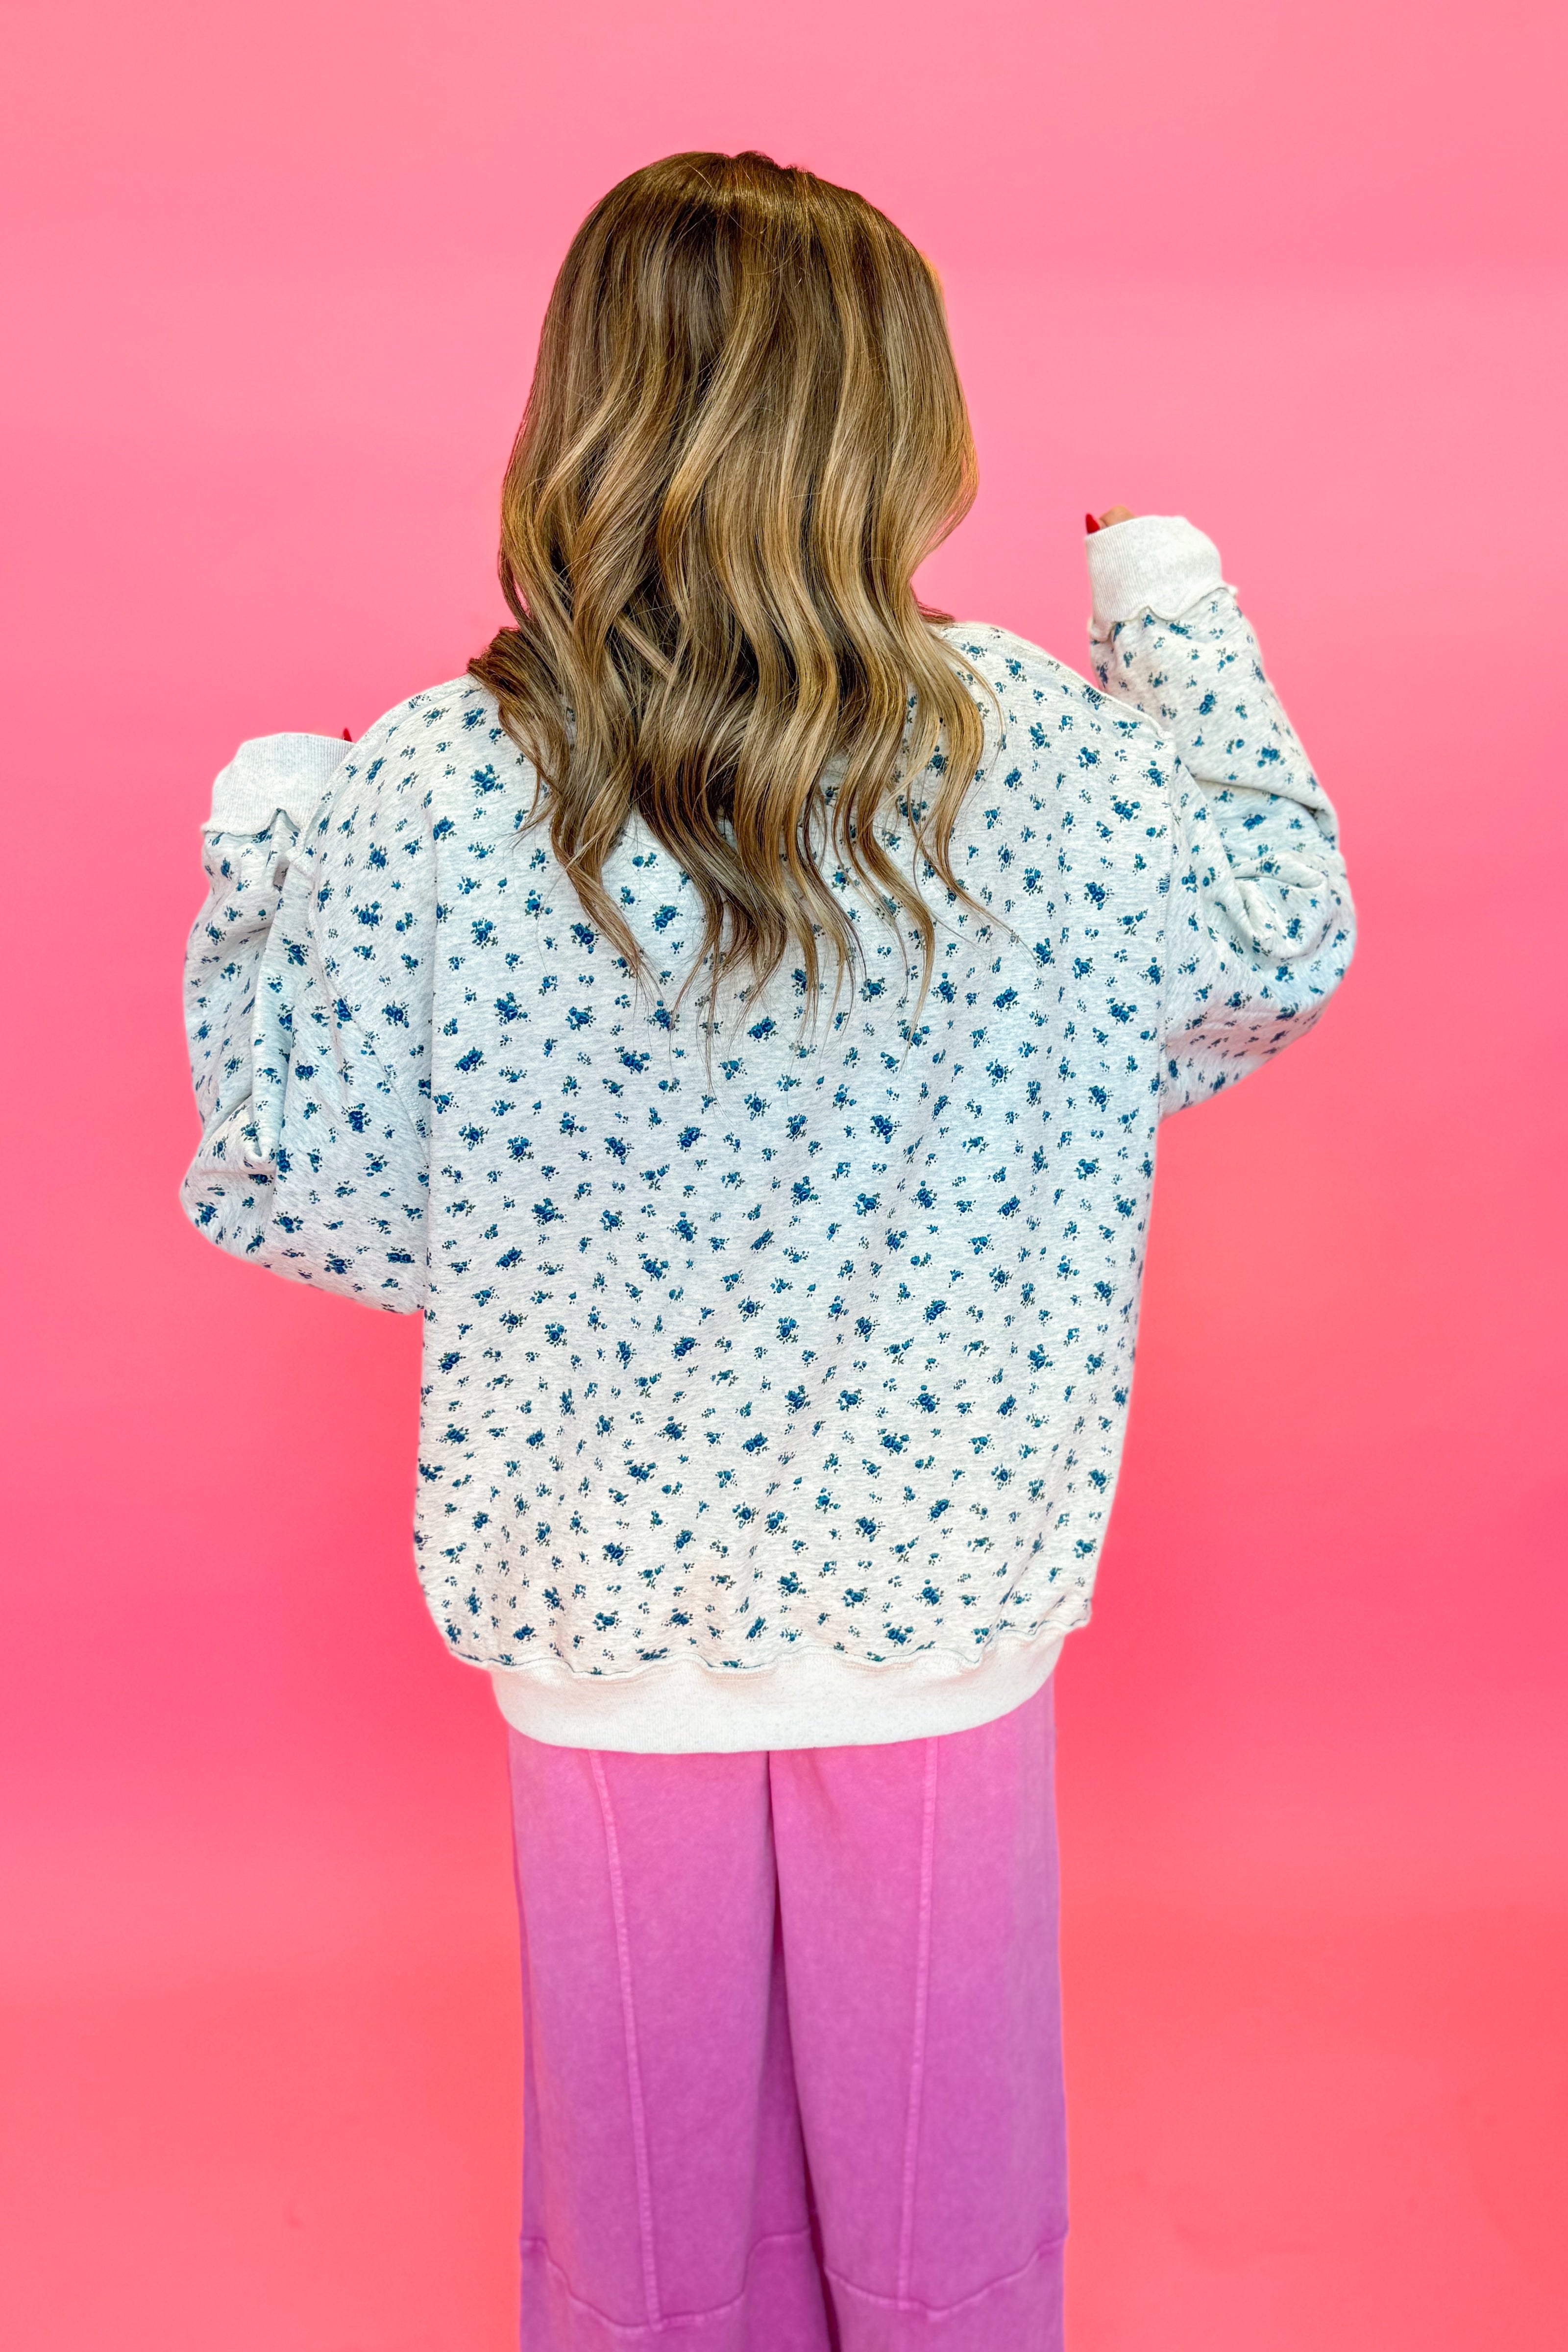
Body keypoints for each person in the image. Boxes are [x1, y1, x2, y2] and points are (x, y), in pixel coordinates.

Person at [181, 150, 1353, 2352]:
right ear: (899, 418)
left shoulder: (431, 782)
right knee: (947, 2224)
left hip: (590, 1613)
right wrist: (1168, 597)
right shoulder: (1039, 754)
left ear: (584, 407)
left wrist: (264, 842)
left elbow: (311, 1192)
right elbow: (1275, 944)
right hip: (942, 1601)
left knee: (639, 2251)